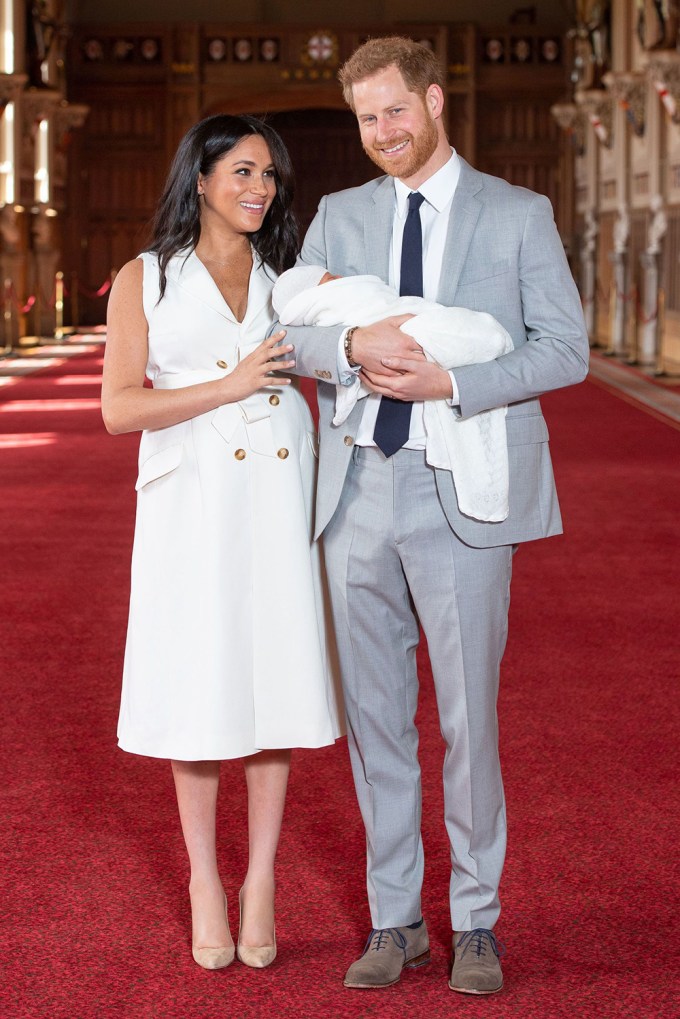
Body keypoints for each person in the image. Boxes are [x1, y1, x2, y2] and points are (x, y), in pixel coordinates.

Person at [276, 37, 589, 995]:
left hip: (463, 491)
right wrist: (353, 340)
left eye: (394, 112)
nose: (382, 134)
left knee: (468, 721)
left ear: (434, 101)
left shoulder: (517, 212)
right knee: (377, 722)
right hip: (358, 492)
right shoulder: (340, 214)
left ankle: (478, 920)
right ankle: (395, 918)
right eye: (367, 119)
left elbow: (564, 350)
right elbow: (291, 330)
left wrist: (452, 377)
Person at [101, 114, 343, 973]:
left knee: (273, 678)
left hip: (279, 490)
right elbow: (120, 407)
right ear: (199, 179)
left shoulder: (291, 278)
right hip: (191, 500)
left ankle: (261, 880)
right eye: (243, 171)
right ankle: (207, 875)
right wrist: (229, 382)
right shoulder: (146, 279)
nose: (259, 189)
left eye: (270, 175)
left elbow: (340, 348)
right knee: (201, 685)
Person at [272, 264, 514, 522]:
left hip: (442, 465)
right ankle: (486, 338)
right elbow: (280, 338)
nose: (341, 279)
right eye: (331, 279)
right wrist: (352, 345)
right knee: (446, 334)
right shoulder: (328, 234)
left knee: (459, 331)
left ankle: (487, 337)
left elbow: (560, 346)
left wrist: (450, 384)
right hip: (356, 470)